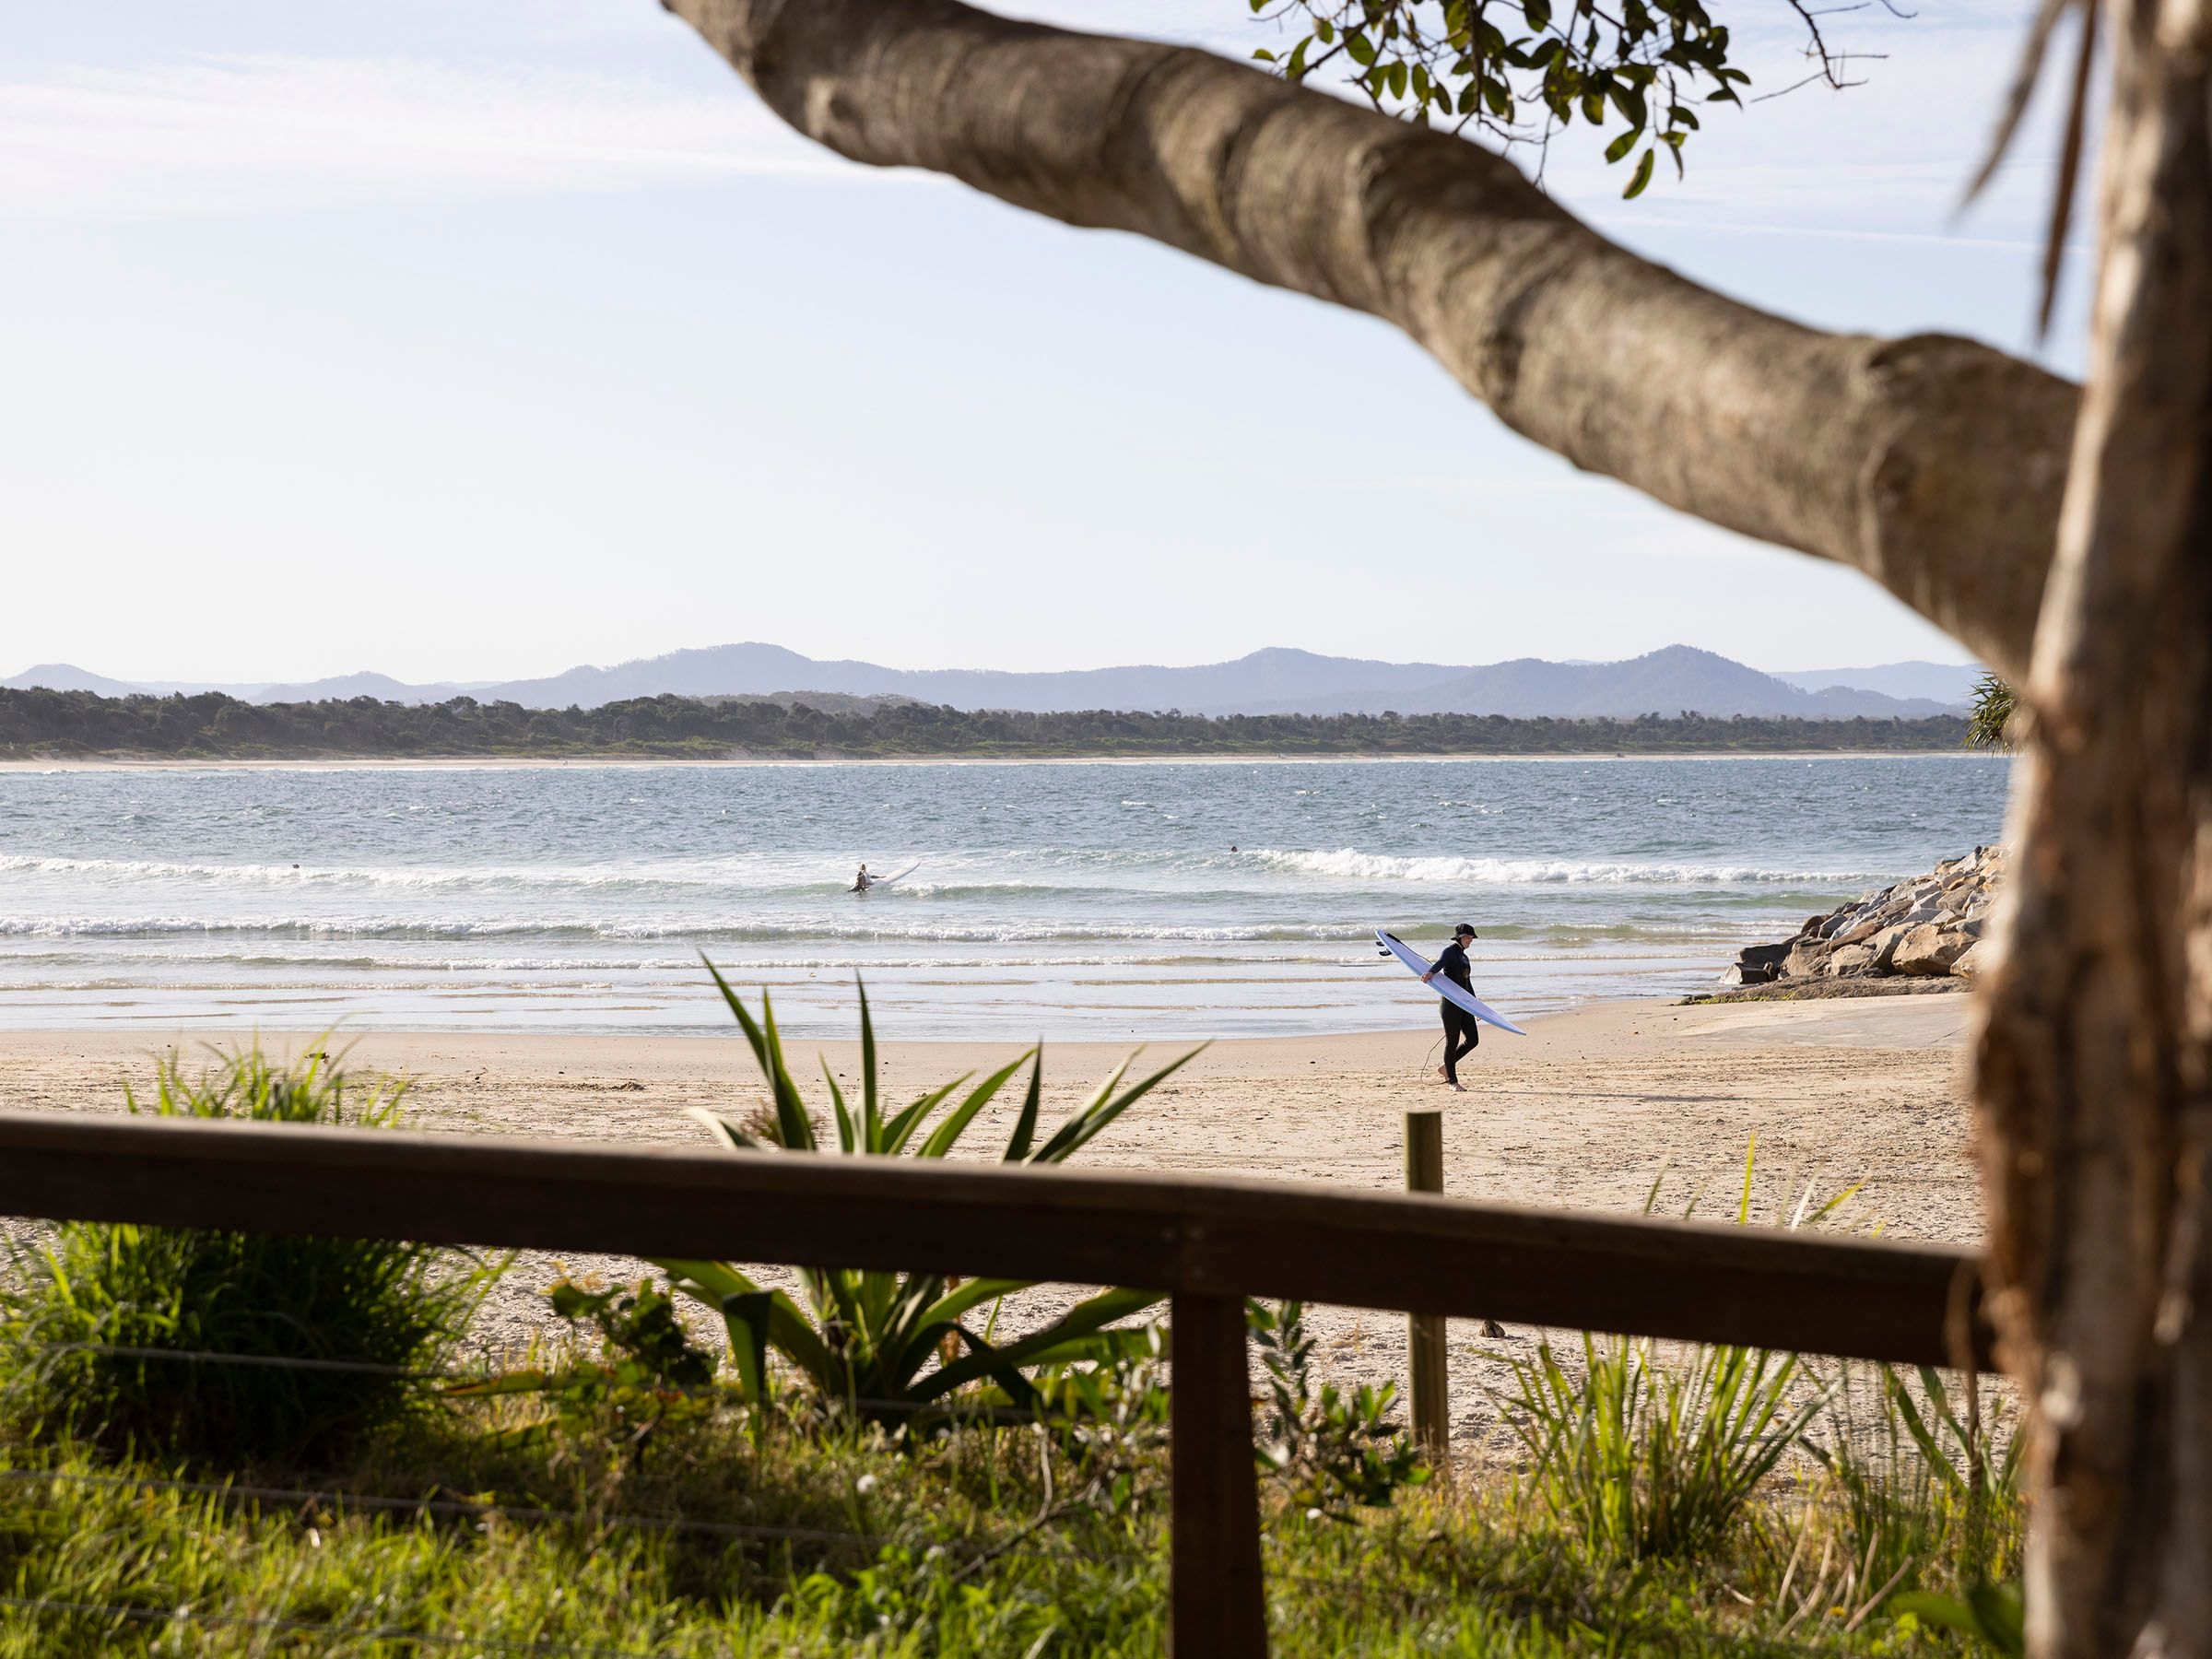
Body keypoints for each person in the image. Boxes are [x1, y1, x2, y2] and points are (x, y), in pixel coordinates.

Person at [1422, 923, 1481, 1091]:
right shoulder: (1449, 952)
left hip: (1463, 1004)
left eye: (1471, 938)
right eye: (1468, 937)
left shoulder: (1464, 956)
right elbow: (1440, 963)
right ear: (1460, 938)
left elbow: (1467, 983)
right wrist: (1430, 973)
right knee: (1452, 1041)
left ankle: (1445, 1067)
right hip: (1450, 1005)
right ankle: (1452, 1082)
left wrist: (1476, 1006)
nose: (1470, 940)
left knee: (1473, 1040)